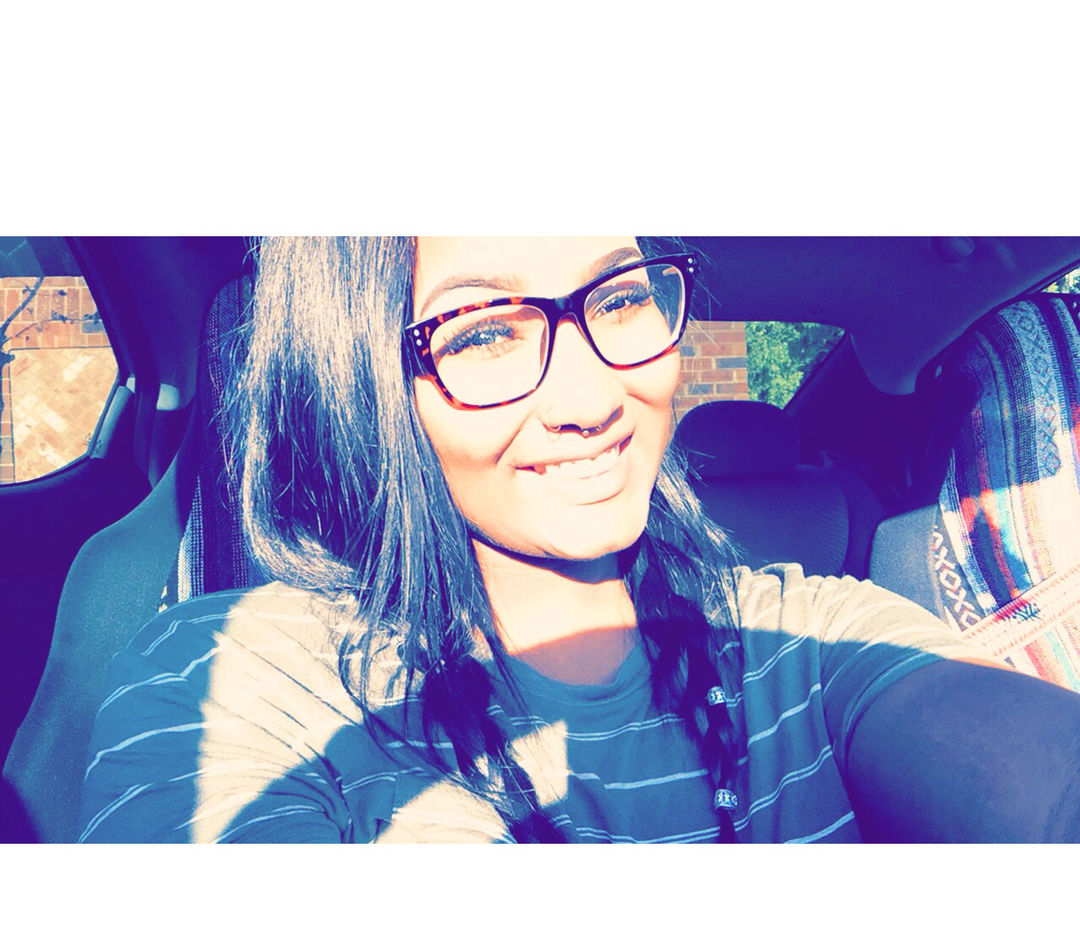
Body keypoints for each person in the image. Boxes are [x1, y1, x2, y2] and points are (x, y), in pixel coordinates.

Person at [77, 237, 1080, 843]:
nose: (593, 397)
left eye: (625, 295)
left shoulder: (809, 636)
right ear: (368, 383)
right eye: (483, 332)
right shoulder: (239, 676)